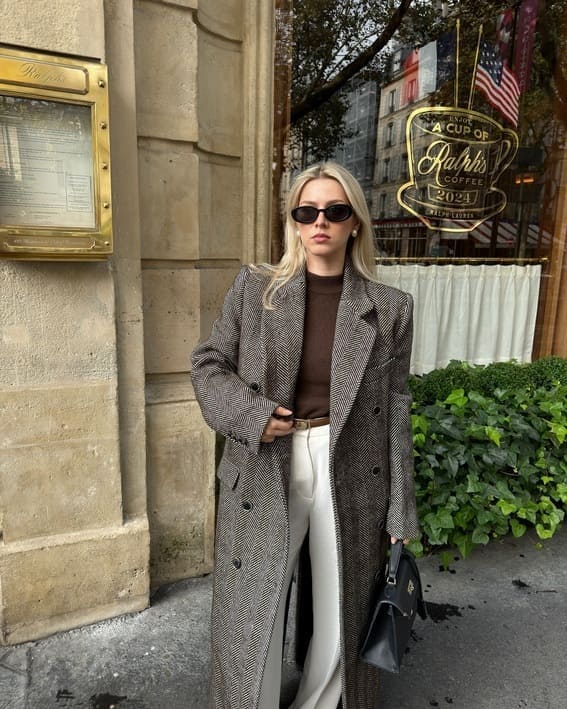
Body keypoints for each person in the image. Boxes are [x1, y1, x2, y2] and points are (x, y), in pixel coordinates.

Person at [191, 161, 419, 709]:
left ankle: (318, 702)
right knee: (255, 606)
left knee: (344, 603)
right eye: (307, 211)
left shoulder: (388, 308)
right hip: (266, 461)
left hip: (351, 467)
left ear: (354, 224)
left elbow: (396, 405)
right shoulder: (257, 288)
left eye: (335, 212)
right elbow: (208, 364)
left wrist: (401, 513)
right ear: (294, 221)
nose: (321, 222)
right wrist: (250, 415)